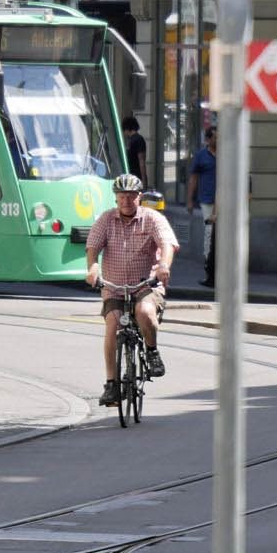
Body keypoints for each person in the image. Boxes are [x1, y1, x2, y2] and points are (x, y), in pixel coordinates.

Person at [85, 173, 175, 407]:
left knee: (144, 312)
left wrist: (164, 265)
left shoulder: (152, 218)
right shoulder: (105, 220)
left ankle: (152, 351)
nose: (126, 200)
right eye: (122, 196)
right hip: (114, 287)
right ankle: (111, 385)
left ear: (139, 197)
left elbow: (167, 244)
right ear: (116, 198)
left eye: (131, 196)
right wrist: (93, 269)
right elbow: (92, 247)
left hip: (145, 284)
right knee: (112, 325)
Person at [186, 126, 217, 284]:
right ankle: (208, 267)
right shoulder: (200, 156)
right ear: (208, 139)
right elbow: (193, 178)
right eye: (215, 138)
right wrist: (190, 200)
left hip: (224, 202)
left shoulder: (225, 154)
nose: (217, 140)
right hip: (207, 201)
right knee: (209, 233)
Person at [121, 116, 147, 185]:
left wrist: (143, 180)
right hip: (132, 177)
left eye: (124, 130)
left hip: (136, 177)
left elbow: (141, 161)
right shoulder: (133, 140)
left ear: (127, 129)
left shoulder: (138, 140)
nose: (124, 133)